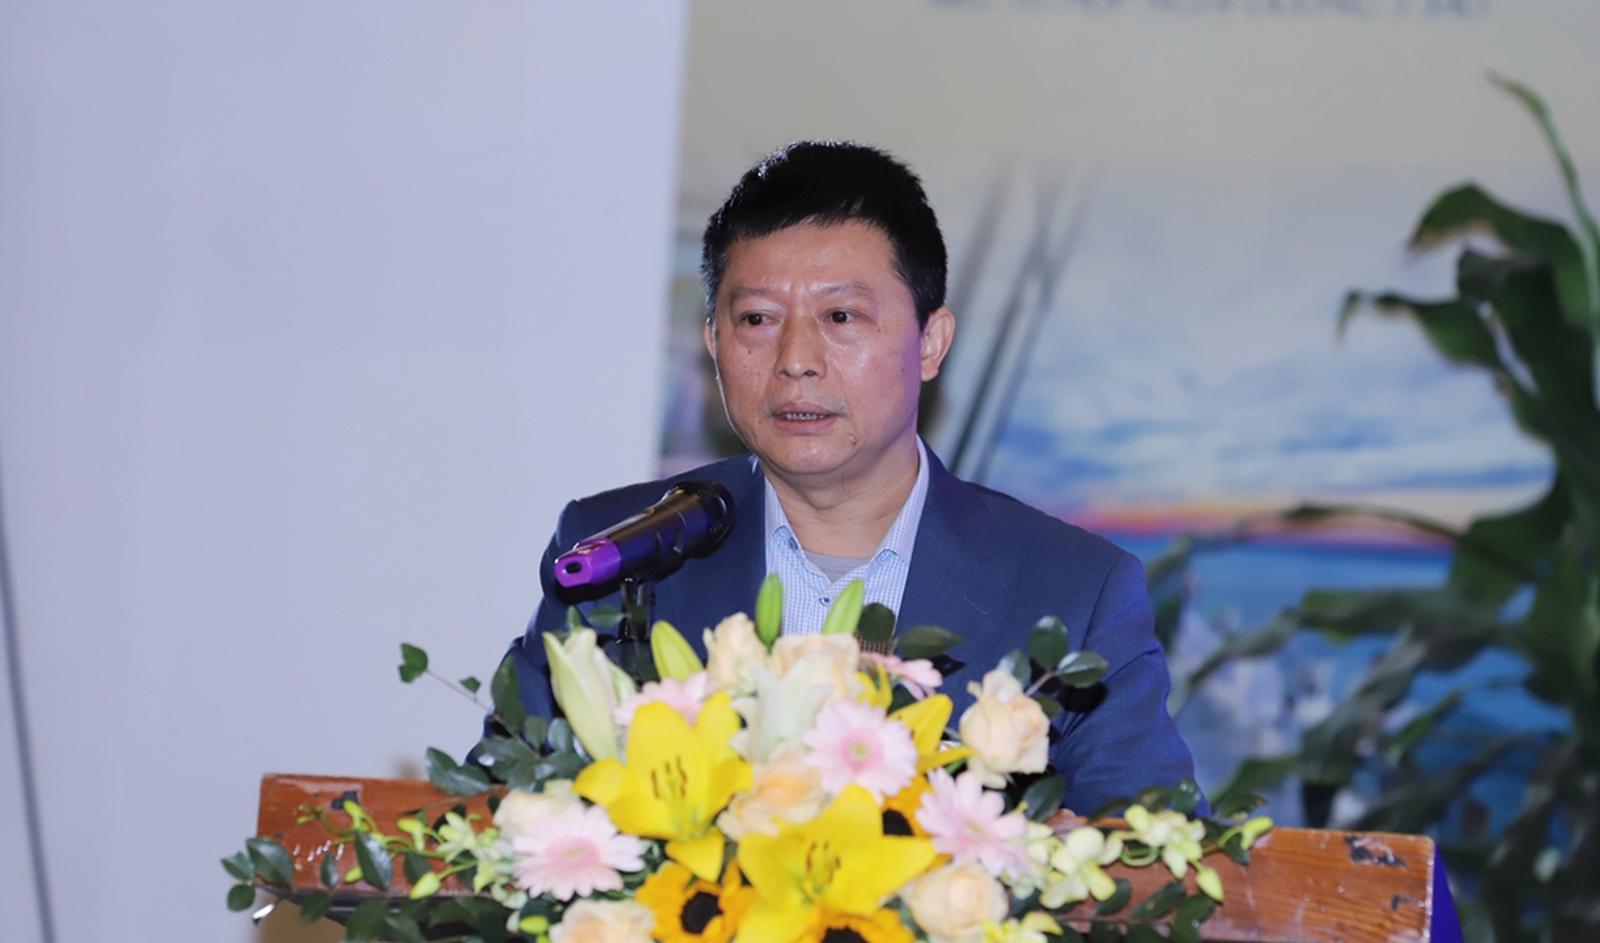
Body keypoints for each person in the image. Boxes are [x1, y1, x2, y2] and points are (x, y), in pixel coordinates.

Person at [500, 141, 1195, 812]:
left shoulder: (1074, 591)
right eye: (756, 319)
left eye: (840, 316)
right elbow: (498, 814)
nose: (795, 358)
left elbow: (1155, 852)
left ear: (931, 343)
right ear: (713, 342)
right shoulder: (620, 555)